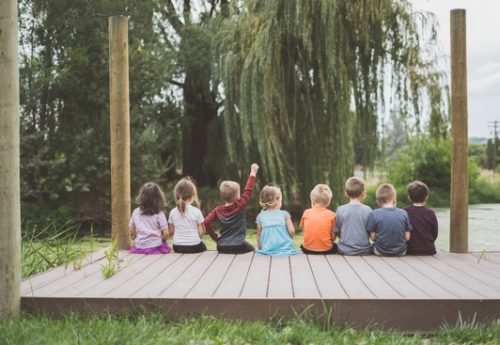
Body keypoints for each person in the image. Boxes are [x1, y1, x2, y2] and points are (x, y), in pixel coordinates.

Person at [204, 164, 259, 254]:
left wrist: (215, 237)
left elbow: (206, 222)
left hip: (221, 246)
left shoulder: (217, 210)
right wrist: (253, 172)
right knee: (253, 251)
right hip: (239, 245)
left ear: (221, 196)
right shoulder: (240, 205)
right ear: (238, 196)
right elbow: (248, 190)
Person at [366, 183, 412, 256]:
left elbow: (372, 237)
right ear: (394, 199)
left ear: (377, 201)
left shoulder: (374, 214)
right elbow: (407, 237)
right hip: (401, 252)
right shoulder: (403, 213)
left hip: (380, 251)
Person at [129, 182, 171, 254]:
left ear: (141, 197)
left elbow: (131, 229)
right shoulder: (159, 214)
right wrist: (162, 240)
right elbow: (166, 233)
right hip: (155, 245)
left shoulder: (136, 212)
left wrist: (139, 236)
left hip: (140, 245)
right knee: (165, 245)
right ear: (159, 198)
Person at [335, 177, 373, 256]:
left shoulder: (340, 209)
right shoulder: (368, 210)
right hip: (364, 250)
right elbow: (370, 232)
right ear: (363, 193)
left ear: (346, 193)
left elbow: (338, 232)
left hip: (344, 250)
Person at [255, 186, 298, 256]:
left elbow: (259, 234)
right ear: (278, 199)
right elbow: (292, 231)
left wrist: (260, 248)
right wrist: (290, 239)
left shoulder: (260, 216)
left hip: (267, 249)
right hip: (286, 249)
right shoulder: (285, 214)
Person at [168, 177, 207, 253]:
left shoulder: (172, 212)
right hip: (195, 246)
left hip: (177, 247)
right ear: (193, 195)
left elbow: (171, 232)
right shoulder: (196, 211)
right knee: (203, 246)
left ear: (176, 195)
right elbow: (201, 232)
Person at [300, 184, 337, 254]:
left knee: (302, 246)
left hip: (307, 249)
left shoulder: (306, 212)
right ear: (328, 201)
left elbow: (304, 231)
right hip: (327, 250)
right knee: (336, 247)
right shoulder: (332, 215)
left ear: (312, 200)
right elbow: (333, 237)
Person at [404, 181, 438, 255]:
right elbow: (435, 233)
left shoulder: (404, 211)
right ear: (426, 197)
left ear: (409, 197)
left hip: (410, 250)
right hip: (429, 250)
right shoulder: (430, 213)